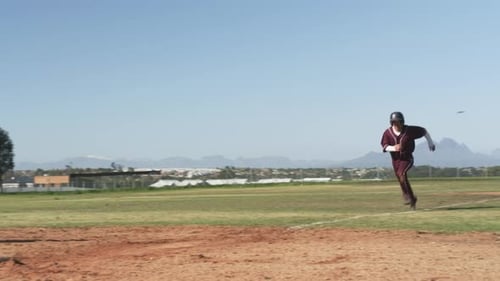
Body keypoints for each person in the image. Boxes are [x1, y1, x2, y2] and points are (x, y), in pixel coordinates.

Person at [380, 111, 436, 210]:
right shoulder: (388, 133)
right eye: (395, 123)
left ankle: (407, 197)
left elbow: (424, 131)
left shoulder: (409, 130)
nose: (398, 125)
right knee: (400, 178)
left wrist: (430, 143)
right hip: (396, 160)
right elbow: (384, 146)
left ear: (402, 122)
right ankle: (412, 198)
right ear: (392, 123)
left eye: (399, 122)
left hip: (407, 158)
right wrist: (394, 148)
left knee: (401, 174)